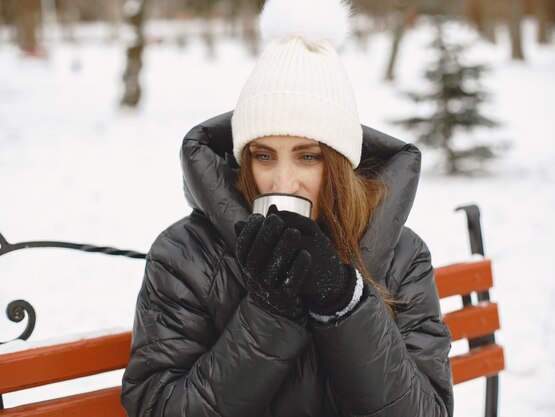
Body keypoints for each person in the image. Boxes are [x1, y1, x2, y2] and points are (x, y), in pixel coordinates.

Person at [121, 0, 454, 416]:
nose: (282, 181)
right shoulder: (184, 257)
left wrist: (345, 302)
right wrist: (267, 314)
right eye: (263, 156)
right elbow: (159, 407)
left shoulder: (403, 257)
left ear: (339, 163)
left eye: (308, 157)